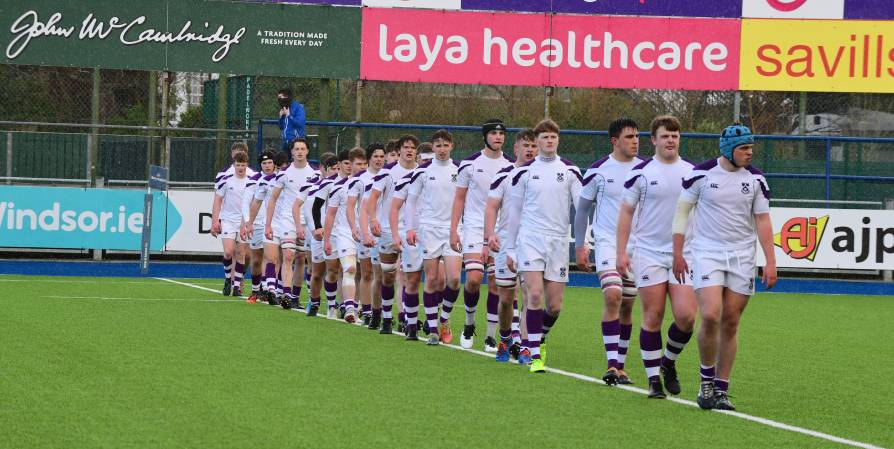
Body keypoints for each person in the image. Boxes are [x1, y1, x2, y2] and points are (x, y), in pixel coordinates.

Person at [672, 123, 777, 411]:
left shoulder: (756, 180)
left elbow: (763, 221)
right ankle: (705, 382)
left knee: (730, 321)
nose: (749, 153)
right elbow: (681, 214)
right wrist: (678, 253)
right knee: (710, 314)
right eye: (744, 148)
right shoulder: (701, 175)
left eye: (751, 147)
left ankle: (721, 389)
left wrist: (770, 260)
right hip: (707, 253)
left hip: (742, 257)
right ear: (728, 150)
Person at [614, 115, 697, 399]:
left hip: (683, 254)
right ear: (654, 140)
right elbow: (625, 213)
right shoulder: (641, 173)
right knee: (653, 315)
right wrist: (621, 252)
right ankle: (653, 381)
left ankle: (668, 362)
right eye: (665, 136)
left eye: (675, 135)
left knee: (686, 317)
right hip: (648, 252)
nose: (670, 140)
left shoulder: (693, 172)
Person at [506, 119, 582, 373]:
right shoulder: (523, 172)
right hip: (530, 239)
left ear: (558, 140)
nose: (549, 141)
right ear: (536, 141)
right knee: (534, 294)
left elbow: (581, 207)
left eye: (553, 137)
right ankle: (534, 354)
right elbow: (514, 212)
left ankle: (538, 337)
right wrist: (510, 247)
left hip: (558, 242)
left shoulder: (571, 171)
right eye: (544, 137)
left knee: (555, 306)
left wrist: (583, 243)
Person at [574, 118, 643, 385]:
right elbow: (582, 210)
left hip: (638, 246)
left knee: (627, 305)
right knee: (613, 295)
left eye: (637, 136)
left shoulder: (646, 169)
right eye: (629, 137)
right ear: (615, 141)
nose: (635, 141)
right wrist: (581, 244)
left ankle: (621, 366)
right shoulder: (598, 171)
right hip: (606, 242)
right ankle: (612, 365)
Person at [390, 130, 461, 344]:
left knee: (454, 279)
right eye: (437, 145)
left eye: (445, 145)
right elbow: (410, 201)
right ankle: (431, 330)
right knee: (429, 279)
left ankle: (444, 319)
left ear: (451, 146)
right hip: (429, 229)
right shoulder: (422, 173)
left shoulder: (460, 171)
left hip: (452, 229)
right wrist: (411, 228)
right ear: (433, 147)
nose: (441, 149)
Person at [450, 119, 514, 351]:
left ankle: (490, 335)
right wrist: (453, 230)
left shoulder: (511, 165)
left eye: (501, 133)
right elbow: (459, 198)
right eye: (494, 133)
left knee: (497, 283)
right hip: (475, 227)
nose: (498, 137)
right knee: (475, 279)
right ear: (485, 136)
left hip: (501, 230)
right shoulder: (469, 164)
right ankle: (469, 323)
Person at [484, 128, 538, 362]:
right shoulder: (504, 175)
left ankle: (526, 346)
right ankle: (505, 339)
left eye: (534, 146)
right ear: (516, 149)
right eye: (526, 146)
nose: (530, 150)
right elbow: (491, 206)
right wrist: (490, 236)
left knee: (530, 294)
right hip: (506, 240)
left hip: (533, 242)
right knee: (506, 298)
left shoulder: (542, 175)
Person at [366, 135, 419, 334]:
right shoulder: (387, 173)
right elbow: (372, 198)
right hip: (388, 229)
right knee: (386, 276)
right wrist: (372, 220)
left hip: (412, 230)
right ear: (399, 150)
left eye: (412, 148)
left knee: (407, 276)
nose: (409, 151)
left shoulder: (421, 172)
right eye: (405, 147)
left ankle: (405, 318)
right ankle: (384, 316)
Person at [263, 138, 318, 310]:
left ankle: (295, 296)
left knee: (302, 259)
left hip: (307, 221)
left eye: (303, 148)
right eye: (297, 149)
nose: (300, 152)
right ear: (292, 152)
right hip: (287, 220)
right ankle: (286, 294)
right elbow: (272, 199)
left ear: (307, 151)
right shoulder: (284, 173)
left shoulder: (315, 174)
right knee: (288, 255)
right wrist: (268, 224)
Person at [323, 148, 368, 323]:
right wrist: (326, 239)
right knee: (349, 269)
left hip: (369, 235)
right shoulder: (339, 187)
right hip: (345, 234)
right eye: (358, 164)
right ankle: (349, 309)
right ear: (350, 164)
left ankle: (364, 308)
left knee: (366, 274)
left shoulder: (376, 184)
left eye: (365, 163)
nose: (362, 167)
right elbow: (330, 214)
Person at [293, 152, 339, 317]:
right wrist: (314, 229)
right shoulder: (312, 185)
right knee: (316, 271)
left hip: (335, 233)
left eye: (337, 168)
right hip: (317, 234)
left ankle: (333, 305)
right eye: (332, 168)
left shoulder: (341, 184)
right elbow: (308, 209)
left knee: (334, 269)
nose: (335, 171)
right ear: (322, 168)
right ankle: (314, 301)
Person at [351, 143, 387, 329]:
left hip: (386, 231)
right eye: (376, 156)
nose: (379, 159)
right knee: (367, 273)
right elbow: (352, 205)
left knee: (385, 275)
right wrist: (357, 229)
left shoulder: (389, 176)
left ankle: (383, 311)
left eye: (382, 156)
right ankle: (367, 311)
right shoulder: (360, 180)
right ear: (369, 159)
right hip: (366, 231)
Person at [247, 151, 289, 305]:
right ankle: (270, 289)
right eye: (279, 167)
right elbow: (256, 202)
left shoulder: (292, 180)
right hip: (269, 224)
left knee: (285, 258)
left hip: (288, 225)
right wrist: (249, 223)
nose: (280, 170)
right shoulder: (265, 182)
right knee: (270, 257)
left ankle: (277, 290)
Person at [211, 151, 251, 297]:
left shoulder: (252, 181)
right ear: (233, 165)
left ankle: (236, 286)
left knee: (241, 253)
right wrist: (215, 220)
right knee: (228, 252)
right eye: (238, 165)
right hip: (228, 219)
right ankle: (228, 279)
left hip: (244, 221)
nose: (240, 167)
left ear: (247, 165)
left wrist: (248, 221)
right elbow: (218, 200)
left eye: (243, 165)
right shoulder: (226, 180)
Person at [242, 151, 278, 304]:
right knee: (256, 260)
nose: (267, 166)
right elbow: (246, 201)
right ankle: (256, 290)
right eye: (264, 163)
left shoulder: (281, 179)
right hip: (257, 224)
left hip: (274, 224)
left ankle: (270, 289)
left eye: (270, 162)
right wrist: (248, 221)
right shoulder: (254, 180)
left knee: (272, 258)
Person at [277, 88, 306, 153]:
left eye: (281, 97)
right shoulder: (284, 107)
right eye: (278, 98)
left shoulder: (298, 107)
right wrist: (280, 117)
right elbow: (281, 127)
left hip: (296, 142)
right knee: (284, 162)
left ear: (287, 97)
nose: (279, 100)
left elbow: (300, 124)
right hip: (285, 142)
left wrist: (289, 116)